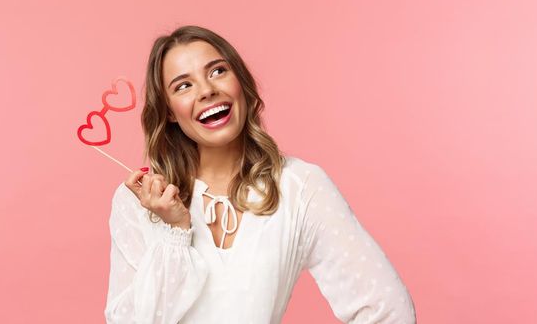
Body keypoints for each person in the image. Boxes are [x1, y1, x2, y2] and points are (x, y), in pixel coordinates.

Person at [104, 25, 416, 323]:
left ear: (240, 82)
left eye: (217, 71)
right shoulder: (138, 201)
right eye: (184, 86)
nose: (207, 90)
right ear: (169, 111)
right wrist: (174, 232)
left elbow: (387, 309)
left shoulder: (300, 187)